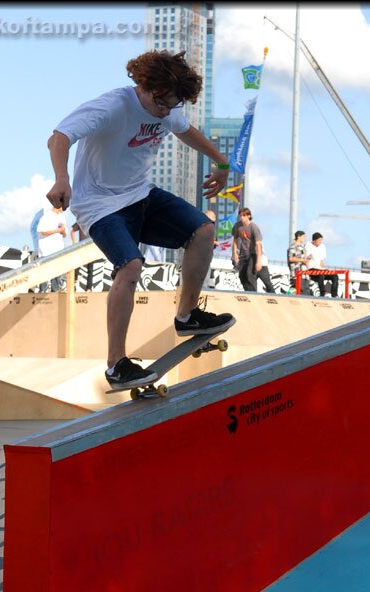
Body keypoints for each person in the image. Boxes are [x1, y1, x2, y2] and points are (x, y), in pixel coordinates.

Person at [45, 49, 236, 390]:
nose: (164, 112)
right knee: (131, 266)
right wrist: (62, 178)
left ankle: (187, 316)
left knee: (204, 230)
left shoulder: (169, 108)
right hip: (100, 205)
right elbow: (59, 136)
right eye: (160, 104)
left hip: (141, 196)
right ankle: (117, 364)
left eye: (170, 106)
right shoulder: (113, 106)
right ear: (145, 87)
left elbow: (185, 129)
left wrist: (220, 161)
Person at [231, 207, 274, 293]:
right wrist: (235, 254)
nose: (241, 218)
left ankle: (258, 294)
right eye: (240, 216)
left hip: (255, 254)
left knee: (253, 275)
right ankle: (249, 293)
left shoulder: (254, 227)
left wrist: (258, 261)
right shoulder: (237, 226)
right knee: (242, 275)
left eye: (243, 216)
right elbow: (235, 240)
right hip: (244, 254)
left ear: (249, 216)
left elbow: (259, 245)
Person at [37, 205, 67, 292]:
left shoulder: (62, 217)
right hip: (46, 250)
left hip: (58, 250)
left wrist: (63, 231)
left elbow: (65, 234)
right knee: (44, 275)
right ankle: (42, 294)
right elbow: (43, 231)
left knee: (56, 275)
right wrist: (57, 230)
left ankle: (55, 291)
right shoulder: (46, 216)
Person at [305, 232, 338, 297]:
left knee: (335, 276)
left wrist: (323, 270)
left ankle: (334, 294)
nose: (320, 242)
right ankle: (323, 293)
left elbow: (321, 261)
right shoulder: (308, 245)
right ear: (314, 240)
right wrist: (307, 272)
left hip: (320, 269)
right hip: (311, 269)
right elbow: (306, 260)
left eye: (321, 240)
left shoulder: (323, 246)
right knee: (321, 274)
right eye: (319, 240)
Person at [71, 220, 95, 290]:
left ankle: (89, 287)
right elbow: (72, 230)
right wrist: (74, 242)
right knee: (77, 266)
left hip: (91, 247)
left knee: (90, 268)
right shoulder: (81, 220)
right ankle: (73, 284)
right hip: (81, 248)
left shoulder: (94, 221)